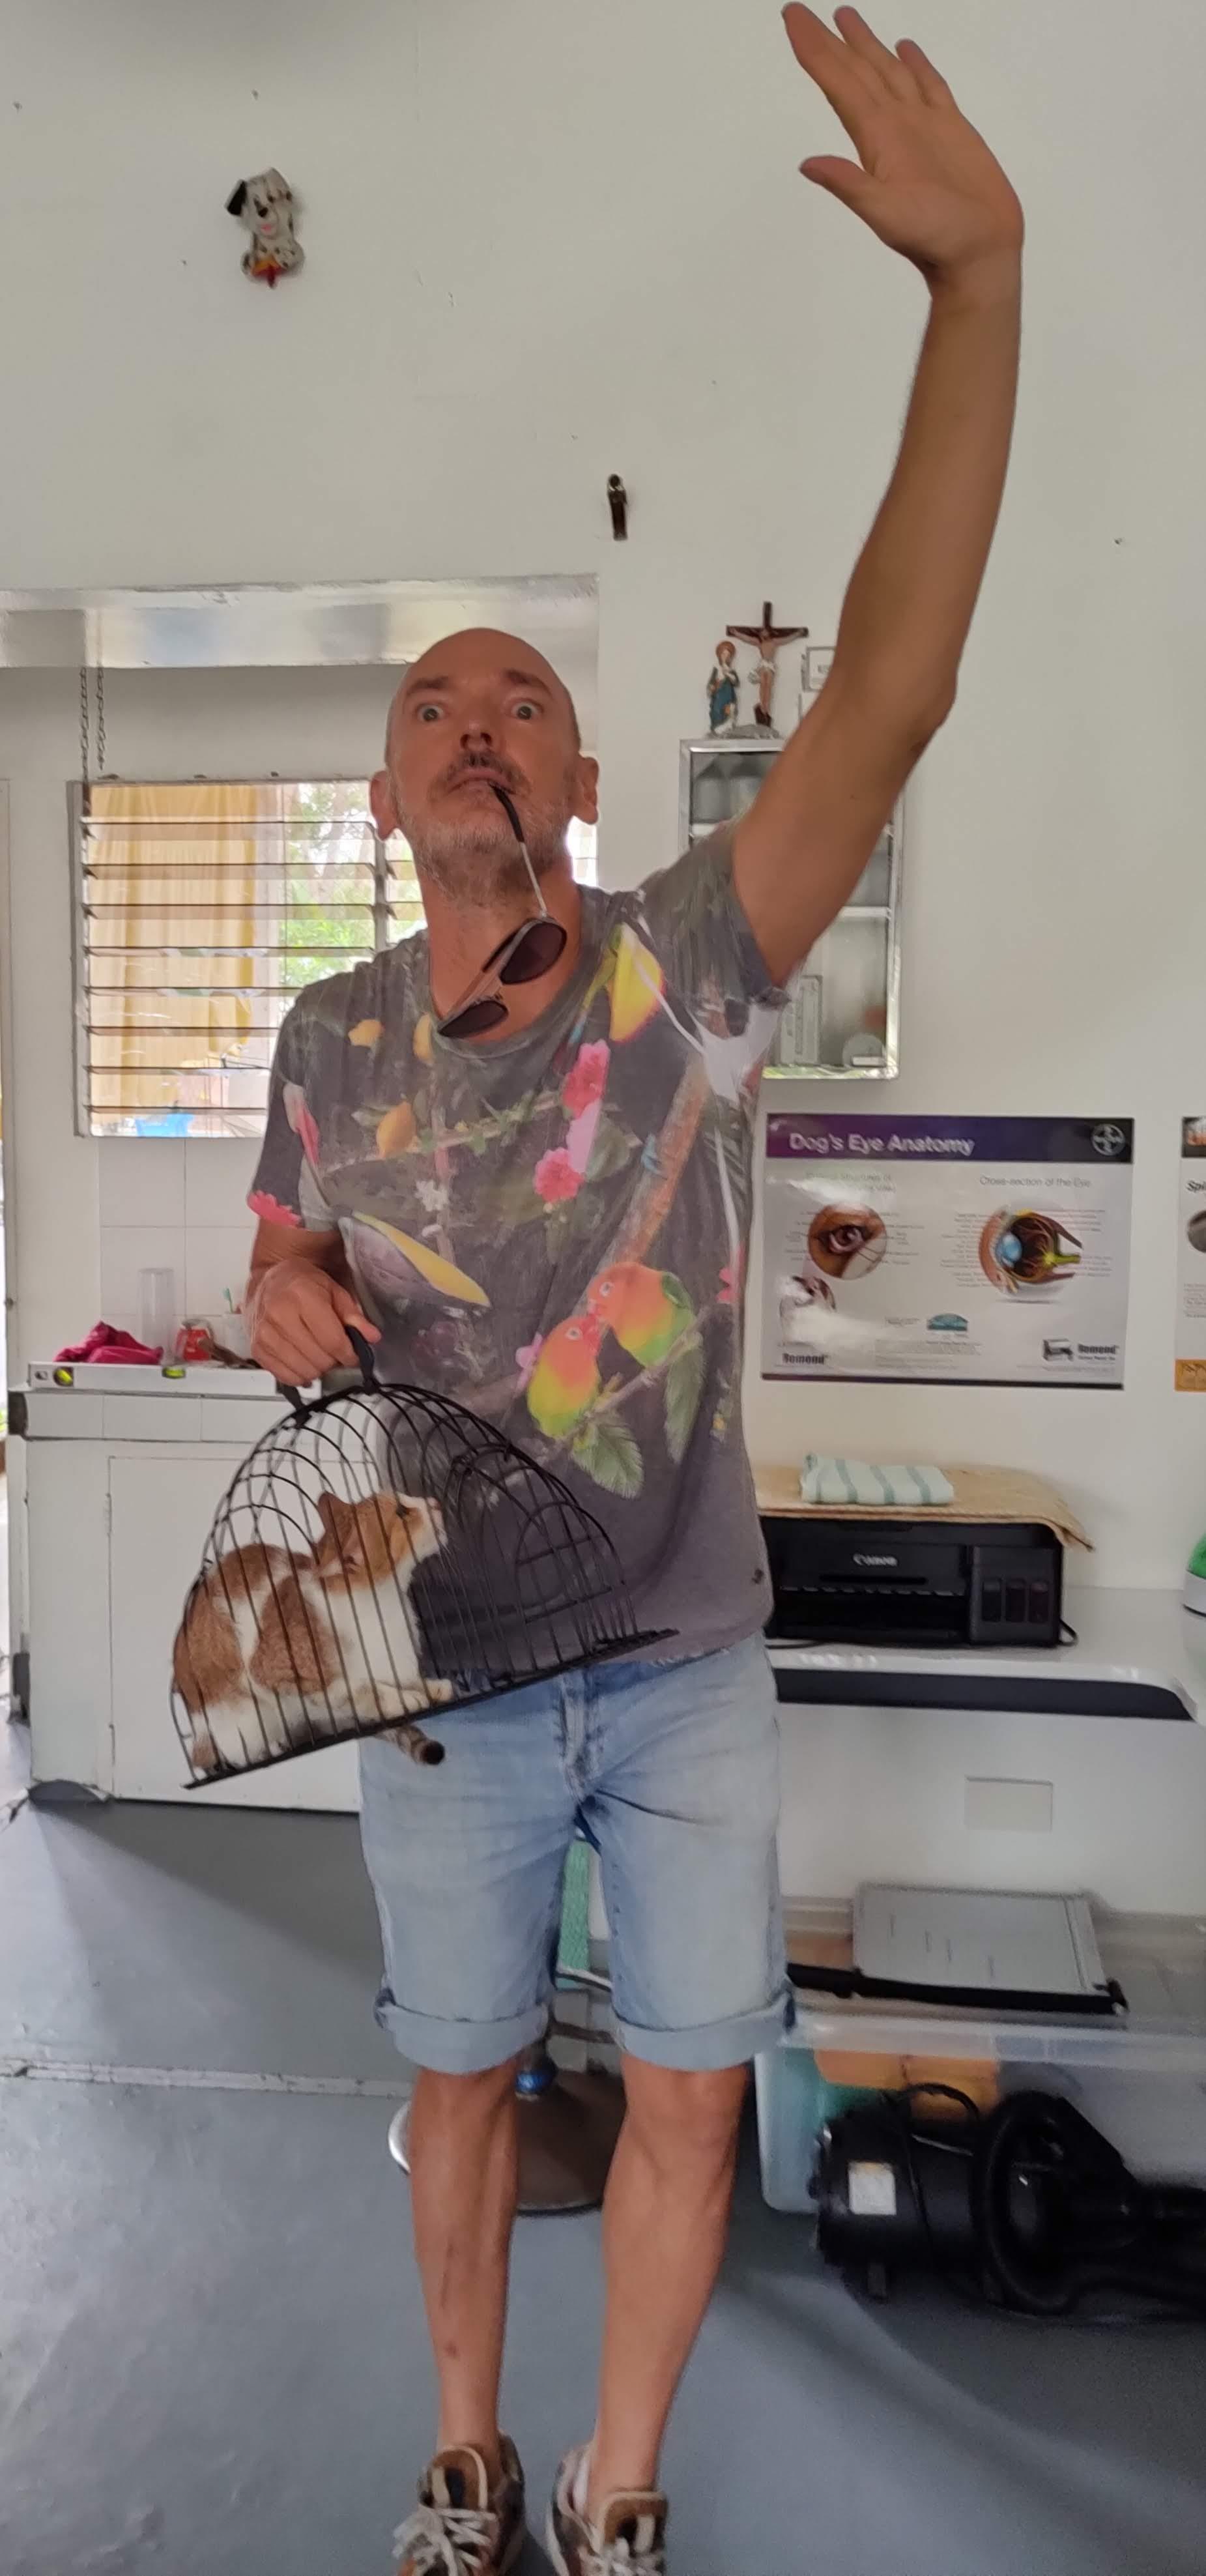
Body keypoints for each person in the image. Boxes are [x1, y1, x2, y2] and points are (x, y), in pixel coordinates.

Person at [245, 8, 1022, 2567]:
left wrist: (977, 288)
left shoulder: (682, 963)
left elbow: (891, 688)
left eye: (525, 697)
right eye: (432, 699)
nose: (477, 716)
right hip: (440, 1670)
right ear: (388, 791)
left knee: (689, 2085)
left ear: (581, 787)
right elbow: (286, 1255)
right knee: (460, 2078)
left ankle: (620, 2485)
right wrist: (277, 1292)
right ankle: (468, 2450)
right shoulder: (328, 1035)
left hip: (685, 1653)